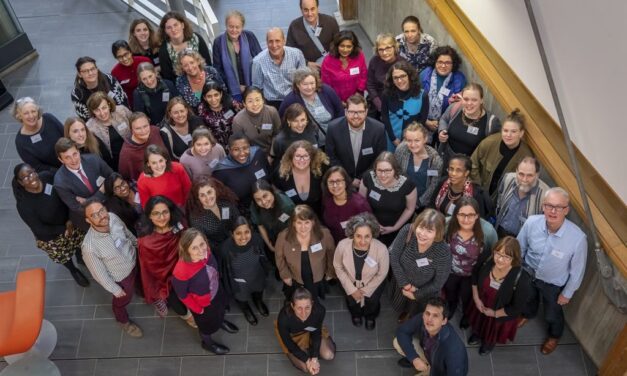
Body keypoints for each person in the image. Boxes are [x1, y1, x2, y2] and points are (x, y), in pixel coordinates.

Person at [516, 187, 587, 355]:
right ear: (543, 206)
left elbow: (578, 271)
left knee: (552, 314)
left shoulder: (577, 238)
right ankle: (528, 314)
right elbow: (520, 247)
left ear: (566, 210)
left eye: (559, 207)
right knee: (529, 299)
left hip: (553, 285)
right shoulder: (532, 222)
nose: (553, 211)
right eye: (549, 205)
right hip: (529, 273)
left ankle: (554, 336)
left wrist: (567, 293)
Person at [12, 163, 89, 287]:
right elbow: (39, 229)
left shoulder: (47, 177)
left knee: (78, 242)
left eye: (31, 173)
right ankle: (73, 270)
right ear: (21, 183)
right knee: (64, 256)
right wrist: (64, 229)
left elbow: (64, 192)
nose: (31, 178)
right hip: (52, 237)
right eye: (25, 177)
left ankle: (80, 257)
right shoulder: (23, 205)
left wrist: (70, 219)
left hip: (69, 221)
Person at [171, 228, 239, 354]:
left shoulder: (207, 251)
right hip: (202, 304)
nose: (201, 250)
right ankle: (208, 343)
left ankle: (220, 322)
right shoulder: (181, 271)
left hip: (217, 291)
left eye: (202, 244)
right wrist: (198, 309)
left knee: (220, 310)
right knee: (206, 327)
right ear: (186, 250)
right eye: (194, 248)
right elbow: (182, 295)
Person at [81, 199, 143, 337]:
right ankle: (123, 320)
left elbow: (127, 233)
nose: (102, 215)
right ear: (88, 220)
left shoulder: (113, 217)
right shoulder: (90, 248)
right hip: (121, 277)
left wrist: (137, 244)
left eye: (102, 210)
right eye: (95, 215)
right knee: (121, 301)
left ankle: (141, 292)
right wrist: (115, 289)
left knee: (139, 282)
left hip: (134, 259)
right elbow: (99, 274)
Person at [466, 236, 532, 355]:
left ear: (514, 258)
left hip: (500, 312)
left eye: (506, 257)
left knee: (492, 330)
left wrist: (494, 313)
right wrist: (476, 298)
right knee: (478, 321)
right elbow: (475, 275)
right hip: (481, 303)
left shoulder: (522, 279)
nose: (500, 260)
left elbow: (516, 308)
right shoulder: (488, 259)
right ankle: (477, 333)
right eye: (498, 254)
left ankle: (488, 342)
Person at [137, 195, 195, 327]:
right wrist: (167, 278)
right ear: (149, 216)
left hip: (186, 269)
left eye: (165, 212)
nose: (162, 217)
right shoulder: (146, 241)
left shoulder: (180, 224)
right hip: (166, 278)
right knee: (173, 296)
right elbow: (149, 268)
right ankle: (186, 316)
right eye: (156, 214)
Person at [442, 197, 497, 325]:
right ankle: (452, 306)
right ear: (456, 214)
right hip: (450, 270)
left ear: (477, 215)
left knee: (468, 296)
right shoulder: (447, 224)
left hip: (473, 275)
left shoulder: (488, 231)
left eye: (471, 215)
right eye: (462, 214)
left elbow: (493, 253)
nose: (466, 219)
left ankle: (467, 314)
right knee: (451, 292)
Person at [389, 210, 451, 320]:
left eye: (429, 231)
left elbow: (438, 283)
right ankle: (404, 312)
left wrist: (415, 294)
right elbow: (394, 257)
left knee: (415, 312)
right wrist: (405, 284)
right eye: (421, 227)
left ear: (438, 233)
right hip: (401, 283)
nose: (422, 234)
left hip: (424, 291)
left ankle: (409, 316)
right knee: (400, 304)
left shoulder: (443, 251)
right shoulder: (407, 231)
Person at [333, 213, 388, 330]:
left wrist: (366, 290)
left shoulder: (381, 249)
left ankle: (370, 317)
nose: (362, 241)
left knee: (372, 302)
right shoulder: (342, 245)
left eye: (367, 236)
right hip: (349, 282)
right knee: (352, 301)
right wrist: (351, 289)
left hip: (373, 284)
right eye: (358, 236)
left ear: (372, 234)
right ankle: (356, 315)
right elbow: (338, 267)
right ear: (353, 234)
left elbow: (382, 273)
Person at [470, 109, 533, 201]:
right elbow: (472, 163)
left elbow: (526, 183)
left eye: (513, 131)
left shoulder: (526, 156)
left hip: (505, 200)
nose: (508, 135)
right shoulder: (489, 142)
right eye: (505, 130)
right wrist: (478, 188)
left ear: (521, 133)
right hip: (479, 193)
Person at [394, 297, 468, 375]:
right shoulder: (422, 318)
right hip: (429, 356)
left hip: (440, 372)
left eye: (435, 316)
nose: (429, 319)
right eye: (427, 313)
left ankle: (427, 369)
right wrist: (414, 358)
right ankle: (422, 364)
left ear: (444, 321)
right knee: (397, 342)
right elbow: (402, 331)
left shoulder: (453, 351)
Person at [275, 205, 335, 300]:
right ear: (293, 223)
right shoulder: (283, 237)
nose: (303, 227)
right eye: (299, 222)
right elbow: (279, 257)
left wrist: (330, 271)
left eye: (307, 222)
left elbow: (331, 253)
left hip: (317, 276)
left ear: (313, 223)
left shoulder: (325, 234)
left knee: (313, 297)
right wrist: (285, 275)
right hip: (296, 278)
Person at [53, 138, 113, 232]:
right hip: (90, 218)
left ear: (78, 151)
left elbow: (112, 178)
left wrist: (87, 201)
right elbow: (78, 208)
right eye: (67, 157)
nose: (73, 160)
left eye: (75, 154)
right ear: (61, 160)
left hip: (110, 204)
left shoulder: (94, 159)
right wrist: (101, 191)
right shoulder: (60, 182)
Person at [325, 94, 386, 186]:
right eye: (352, 112)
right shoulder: (333, 128)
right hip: (341, 180)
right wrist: (347, 179)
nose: (356, 116)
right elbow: (331, 157)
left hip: (368, 180)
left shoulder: (379, 129)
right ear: (346, 112)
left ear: (366, 112)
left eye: (360, 112)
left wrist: (363, 178)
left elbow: (379, 158)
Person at [358, 152, 417, 246]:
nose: (383, 174)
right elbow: (361, 203)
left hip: (397, 230)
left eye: (388, 170)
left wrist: (395, 227)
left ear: (395, 170)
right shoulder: (368, 177)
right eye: (379, 170)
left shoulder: (407, 184)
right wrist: (371, 223)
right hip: (370, 227)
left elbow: (409, 209)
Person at [219, 216, 270, 325]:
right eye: (238, 233)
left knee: (259, 290)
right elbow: (224, 272)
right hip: (239, 282)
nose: (243, 237)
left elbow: (263, 258)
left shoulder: (257, 239)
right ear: (232, 234)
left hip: (257, 275)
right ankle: (246, 309)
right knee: (242, 297)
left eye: (247, 232)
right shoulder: (225, 249)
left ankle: (258, 302)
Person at [276, 287, 336, 374]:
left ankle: (314, 351)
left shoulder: (319, 311)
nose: (304, 313)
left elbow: (316, 332)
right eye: (299, 308)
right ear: (292, 306)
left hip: (312, 329)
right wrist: (307, 360)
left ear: (312, 304)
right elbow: (289, 343)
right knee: (305, 368)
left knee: (329, 355)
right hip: (293, 335)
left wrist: (314, 358)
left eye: (307, 307)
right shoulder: (283, 319)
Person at [279, 67, 343, 146]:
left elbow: (340, 111)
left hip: (333, 139)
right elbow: (283, 119)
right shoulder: (291, 100)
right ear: (297, 85)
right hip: (309, 143)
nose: (309, 87)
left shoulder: (326, 91)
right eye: (305, 84)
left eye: (312, 83)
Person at [438, 83, 501, 158]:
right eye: (466, 99)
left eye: (474, 100)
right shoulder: (455, 108)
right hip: (447, 158)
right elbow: (444, 119)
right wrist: (442, 130)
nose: (469, 103)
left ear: (481, 100)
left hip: (471, 165)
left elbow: (494, 147)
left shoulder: (492, 122)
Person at [213, 133, 270, 215]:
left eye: (245, 148)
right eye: (236, 149)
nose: (242, 153)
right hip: (245, 211)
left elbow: (270, 175)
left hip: (268, 202)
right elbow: (221, 198)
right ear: (229, 149)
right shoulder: (221, 170)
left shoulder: (258, 154)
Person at [212, 10, 262, 102]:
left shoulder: (249, 36)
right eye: (231, 26)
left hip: (252, 86)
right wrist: (237, 86)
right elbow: (217, 70)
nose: (234, 30)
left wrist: (249, 85)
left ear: (242, 27)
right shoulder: (218, 42)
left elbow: (260, 59)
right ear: (226, 25)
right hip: (232, 89)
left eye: (237, 27)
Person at [252, 27, 306, 109]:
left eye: (277, 41)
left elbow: (304, 79)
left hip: (295, 98)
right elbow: (257, 88)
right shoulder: (258, 61)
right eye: (270, 41)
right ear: (266, 42)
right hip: (272, 102)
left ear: (284, 41)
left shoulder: (297, 54)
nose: (274, 45)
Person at [495, 157, 550, 237]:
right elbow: (499, 201)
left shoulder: (545, 195)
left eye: (529, 175)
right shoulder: (508, 178)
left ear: (537, 175)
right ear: (516, 171)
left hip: (521, 240)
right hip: (499, 231)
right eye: (521, 174)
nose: (524, 179)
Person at [382, 61, 429, 151]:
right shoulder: (386, 94)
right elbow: (385, 117)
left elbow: (422, 121)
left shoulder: (423, 95)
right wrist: (393, 139)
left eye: (403, 76)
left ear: (410, 76)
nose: (399, 81)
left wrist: (408, 141)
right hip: (391, 139)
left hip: (412, 142)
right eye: (395, 78)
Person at [394, 122, 443, 210]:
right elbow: (396, 173)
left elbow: (433, 185)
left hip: (422, 203)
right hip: (401, 198)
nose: (413, 145)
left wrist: (419, 202)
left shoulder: (435, 160)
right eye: (409, 140)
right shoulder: (401, 150)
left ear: (425, 139)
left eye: (417, 140)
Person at [273, 140, 329, 215]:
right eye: (298, 156)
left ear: (311, 157)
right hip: (293, 218)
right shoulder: (281, 173)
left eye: (306, 156)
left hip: (319, 217)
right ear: (291, 157)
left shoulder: (321, 170)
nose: (302, 160)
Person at [420, 46, 466, 138]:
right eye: (440, 62)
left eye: (448, 63)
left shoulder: (459, 79)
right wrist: (426, 121)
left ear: (453, 64)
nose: (443, 66)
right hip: (422, 121)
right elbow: (415, 100)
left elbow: (458, 107)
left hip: (446, 126)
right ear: (435, 62)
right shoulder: (425, 74)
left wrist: (442, 124)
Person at [187, 176, 240, 251]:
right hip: (221, 251)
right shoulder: (195, 218)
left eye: (209, 192)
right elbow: (205, 242)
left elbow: (238, 220)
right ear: (198, 198)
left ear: (215, 190)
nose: (207, 197)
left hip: (239, 240)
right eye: (202, 195)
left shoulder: (225, 203)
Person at [321, 166, 372, 243]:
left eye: (338, 181)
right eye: (331, 182)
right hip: (333, 245)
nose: (335, 185)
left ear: (346, 182)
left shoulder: (359, 204)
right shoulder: (326, 199)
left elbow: (369, 230)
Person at [13, 97, 64, 172]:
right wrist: (61, 172)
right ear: (19, 116)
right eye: (26, 113)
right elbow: (37, 166)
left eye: (33, 111)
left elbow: (66, 134)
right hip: (55, 172)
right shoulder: (21, 142)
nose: (31, 116)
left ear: (38, 111)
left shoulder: (49, 118)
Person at [433, 154, 492, 219]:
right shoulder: (443, 183)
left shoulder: (476, 194)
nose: (453, 173)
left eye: (458, 170)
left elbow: (478, 220)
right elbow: (431, 205)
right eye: (451, 169)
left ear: (466, 173)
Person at [158, 11, 212, 81]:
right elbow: (168, 78)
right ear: (165, 31)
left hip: (204, 79)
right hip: (181, 87)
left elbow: (207, 64)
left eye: (176, 25)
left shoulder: (196, 39)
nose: (173, 30)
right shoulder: (164, 51)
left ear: (182, 25)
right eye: (169, 28)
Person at [286, 0, 339, 70]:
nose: (309, 14)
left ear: (317, 8)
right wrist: (306, 63)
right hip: (306, 68)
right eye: (306, 10)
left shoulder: (331, 22)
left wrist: (330, 60)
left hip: (329, 64)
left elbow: (338, 44)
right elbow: (290, 52)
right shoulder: (294, 26)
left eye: (312, 9)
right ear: (301, 10)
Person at [85, 91, 132, 169]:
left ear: (109, 105)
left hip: (131, 155)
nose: (102, 113)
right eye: (97, 110)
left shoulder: (122, 111)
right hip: (112, 164)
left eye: (104, 108)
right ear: (92, 111)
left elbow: (135, 123)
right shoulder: (90, 127)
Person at [71, 56, 128, 121]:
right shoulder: (77, 94)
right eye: (85, 71)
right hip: (97, 125)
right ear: (79, 74)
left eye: (92, 69)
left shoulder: (110, 80)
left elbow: (122, 103)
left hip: (118, 118)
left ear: (97, 69)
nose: (90, 73)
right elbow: (87, 119)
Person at [137, 144, 191, 208]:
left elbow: (188, 189)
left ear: (165, 159)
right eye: (154, 163)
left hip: (183, 207)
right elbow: (146, 206)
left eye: (161, 161)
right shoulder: (143, 181)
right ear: (148, 164)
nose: (159, 166)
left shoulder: (177, 168)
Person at [320, 30, 367, 104]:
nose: (345, 50)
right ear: (337, 46)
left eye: (349, 46)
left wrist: (358, 94)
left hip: (357, 98)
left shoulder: (359, 56)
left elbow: (363, 75)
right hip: (336, 100)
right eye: (342, 46)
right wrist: (338, 101)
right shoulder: (327, 61)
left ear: (354, 47)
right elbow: (326, 85)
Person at [118, 112, 167, 182]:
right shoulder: (126, 153)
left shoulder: (155, 131)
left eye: (145, 126)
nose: (143, 131)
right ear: (131, 130)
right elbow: (125, 178)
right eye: (138, 128)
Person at [250, 179, 296, 254]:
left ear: (272, 192)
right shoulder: (254, 206)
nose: (263, 202)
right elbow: (260, 225)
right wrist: (269, 245)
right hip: (272, 237)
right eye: (258, 199)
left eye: (265, 196)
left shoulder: (286, 205)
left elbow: (296, 222)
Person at [231, 87, 281, 154]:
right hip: (251, 155)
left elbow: (277, 135)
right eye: (250, 101)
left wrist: (272, 155)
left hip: (272, 150)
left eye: (257, 100)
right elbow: (240, 145)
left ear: (263, 100)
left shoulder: (272, 112)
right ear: (244, 103)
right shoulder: (238, 121)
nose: (255, 104)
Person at [367, 33, 405, 119]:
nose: (384, 52)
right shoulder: (374, 61)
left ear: (394, 47)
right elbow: (370, 85)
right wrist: (380, 106)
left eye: (388, 48)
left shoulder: (403, 64)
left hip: (397, 104)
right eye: (381, 49)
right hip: (376, 101)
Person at [270, 103, 319, 168]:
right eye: (295, 121)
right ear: (288, 121)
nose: (300, 125)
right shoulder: (279, 140)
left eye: (303, 120)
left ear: (307, 119)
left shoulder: (313, 129)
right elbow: (277, 161)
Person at [110, 40, 152, 108]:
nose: (124, 59)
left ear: (130, 52)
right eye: (120, 57)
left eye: (126, 54)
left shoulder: (145, 61)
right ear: (116, 58)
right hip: (133, 105)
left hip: (151, 97)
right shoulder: (115, 72)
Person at [197, 81, 238, 146]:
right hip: (215, 146)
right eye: (209, 96)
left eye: (216, 95)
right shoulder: (202, 109)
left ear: (221, 94)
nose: (213, 99)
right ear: (204, 97)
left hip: (235, 143)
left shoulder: (230, 103)